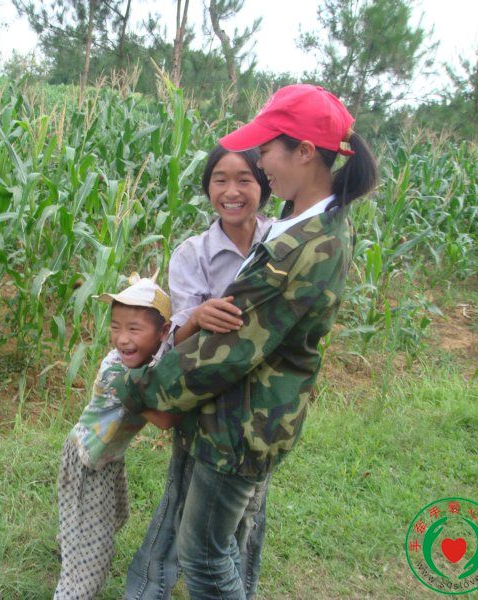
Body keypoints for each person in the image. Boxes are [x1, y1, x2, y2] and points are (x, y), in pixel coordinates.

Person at [113, 84, 378, 598]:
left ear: (305, 151)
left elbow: (226, 351)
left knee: (205, 556)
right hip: (236, 419)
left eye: (267, 150)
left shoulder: (301, 246)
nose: (261, 163)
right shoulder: (305, 227)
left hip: (240, 426)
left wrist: (137, 389)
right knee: (211, 545)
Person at [124, 145, 274, 598]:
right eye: (219, 180)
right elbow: (175, 338)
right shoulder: (193, 254)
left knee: (249, 508)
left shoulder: (281, 244)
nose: (231, 191)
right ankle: (147, 589)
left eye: (244, 179)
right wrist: (198, 318)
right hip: (203, 402)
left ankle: (239, 588)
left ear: (264, 184)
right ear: (208, 187)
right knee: (182, 495)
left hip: (261, 404)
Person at [55, 275, 181, 599]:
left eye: (134, 328)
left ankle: (73, 541)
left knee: (115, 516)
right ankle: (75, 581)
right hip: (87, 462)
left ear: (163, 332)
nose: (122, 338)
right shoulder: (119, 373)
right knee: (93, 560)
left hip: (109, 458)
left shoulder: (147, 361)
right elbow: (166, 420)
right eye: (115, 327)